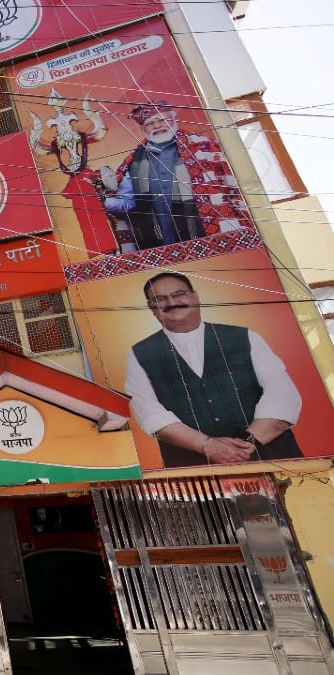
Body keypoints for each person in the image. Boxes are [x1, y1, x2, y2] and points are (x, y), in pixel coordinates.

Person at [125, 272, 303, 468]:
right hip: (196, 469)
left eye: (179, 294)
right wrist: (206, 445)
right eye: (160, 299)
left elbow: (282, 395)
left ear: (195, 296)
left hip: (271, 457)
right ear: (152, 308)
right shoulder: (139, 353)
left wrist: (244, 445)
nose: (171, 302)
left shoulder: (243, 336)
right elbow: (149, 412)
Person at [103, 101, 251, 250]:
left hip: (209, 238)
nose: (157, 126)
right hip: (160, 244)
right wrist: (102, 201)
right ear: (143, 128)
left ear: (174, 119)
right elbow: (127, 202)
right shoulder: (133, 161)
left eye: (162, 120)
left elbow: (230, 188)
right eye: (150, 123)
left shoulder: (204, 147)